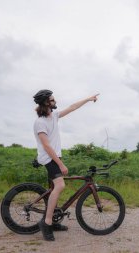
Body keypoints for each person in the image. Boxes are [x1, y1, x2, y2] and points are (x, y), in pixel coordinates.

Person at [33, 89, 99, 241]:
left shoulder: (54, 116)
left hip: (54, 156)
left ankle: (54, 220)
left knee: (53, 189)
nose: (55, 101)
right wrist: (61, 164)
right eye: (52, 100)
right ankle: (47, 222)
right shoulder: (40, 122)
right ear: (45, 103)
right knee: (60, 185)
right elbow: (47, 146)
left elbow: (72, 107)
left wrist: (88, 99)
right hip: (49, 158)